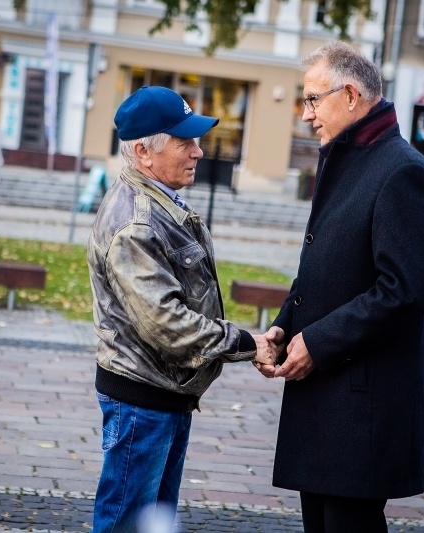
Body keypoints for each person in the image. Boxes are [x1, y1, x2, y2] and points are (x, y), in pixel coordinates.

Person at [262, 42, 424, 532]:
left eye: (312, 100)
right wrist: (284, 328)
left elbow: (404, 291)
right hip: (327, 399)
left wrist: (317, 343)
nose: (305, 115)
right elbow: (328, 267)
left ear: (349, 95)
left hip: (361, 408)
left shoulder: (402, 171)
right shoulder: (348, 160)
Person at [87, 85, 275, 533]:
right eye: (184, 141)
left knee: (153, 524)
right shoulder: (135, 222)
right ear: (143, 153)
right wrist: (248, 343)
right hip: (142, 400)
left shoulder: (160, 201)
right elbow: (166, 322)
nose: (199, 151)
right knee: (127, 525)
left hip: (164, 394)